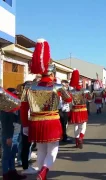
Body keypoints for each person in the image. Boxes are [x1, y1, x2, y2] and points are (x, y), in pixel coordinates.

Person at [20, 39, 72, 180]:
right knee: (53, 149)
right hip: (52, 121)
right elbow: (69, 99)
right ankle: (43, 172)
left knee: (41, 149)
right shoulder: (57, 87)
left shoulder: (29, 87)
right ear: (52, 73)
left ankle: (41, 173)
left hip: (35, 122)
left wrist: (25, 124)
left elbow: (23, 108)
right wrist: (60, 87)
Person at [1, 88, 26, 180]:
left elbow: (18, 120)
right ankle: (6, 174)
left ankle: (12, 172)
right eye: (14, 95)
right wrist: (8, 137)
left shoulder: (15, 106)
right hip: (9, 135)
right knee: (6, 155)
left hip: (16, 133)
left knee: (12, 154)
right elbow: (5, 124)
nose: (16, 96)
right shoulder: (5, 108)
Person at [69, 69, 92, 149]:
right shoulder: (85, 90)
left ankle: (76, 142)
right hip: (83, 110)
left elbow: (69, 102)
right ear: (81, 83)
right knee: (83, 126)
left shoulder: (71, 91)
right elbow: (90, 99)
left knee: (76, 126)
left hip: (74, 110)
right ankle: (81, 138)